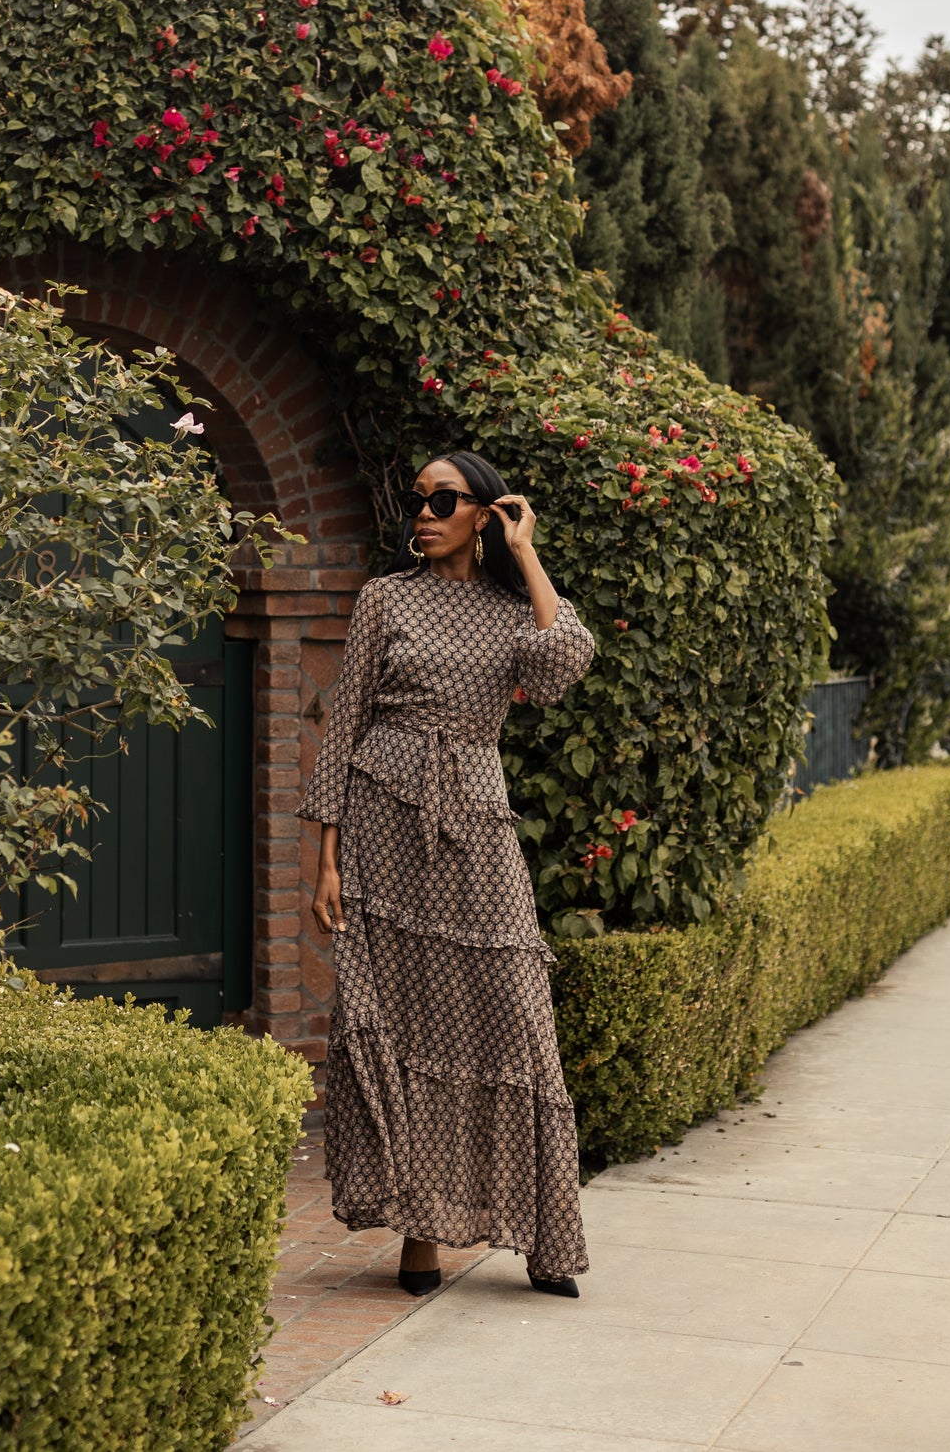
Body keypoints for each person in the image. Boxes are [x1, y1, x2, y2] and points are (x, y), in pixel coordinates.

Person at [299, 448, 595, 1297]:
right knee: (404, 1023)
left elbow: (565, 661)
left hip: (473, 819)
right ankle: (419, 1236)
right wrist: (324, 861)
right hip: (380, 826)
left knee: (514, 1018)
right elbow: (345, 718)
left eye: (443, 499)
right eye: (416, 500)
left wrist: (527, 550)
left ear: (484, 512)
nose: (422, 513)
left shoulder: (510, 613)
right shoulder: (384, 598)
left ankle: (547, 1237)